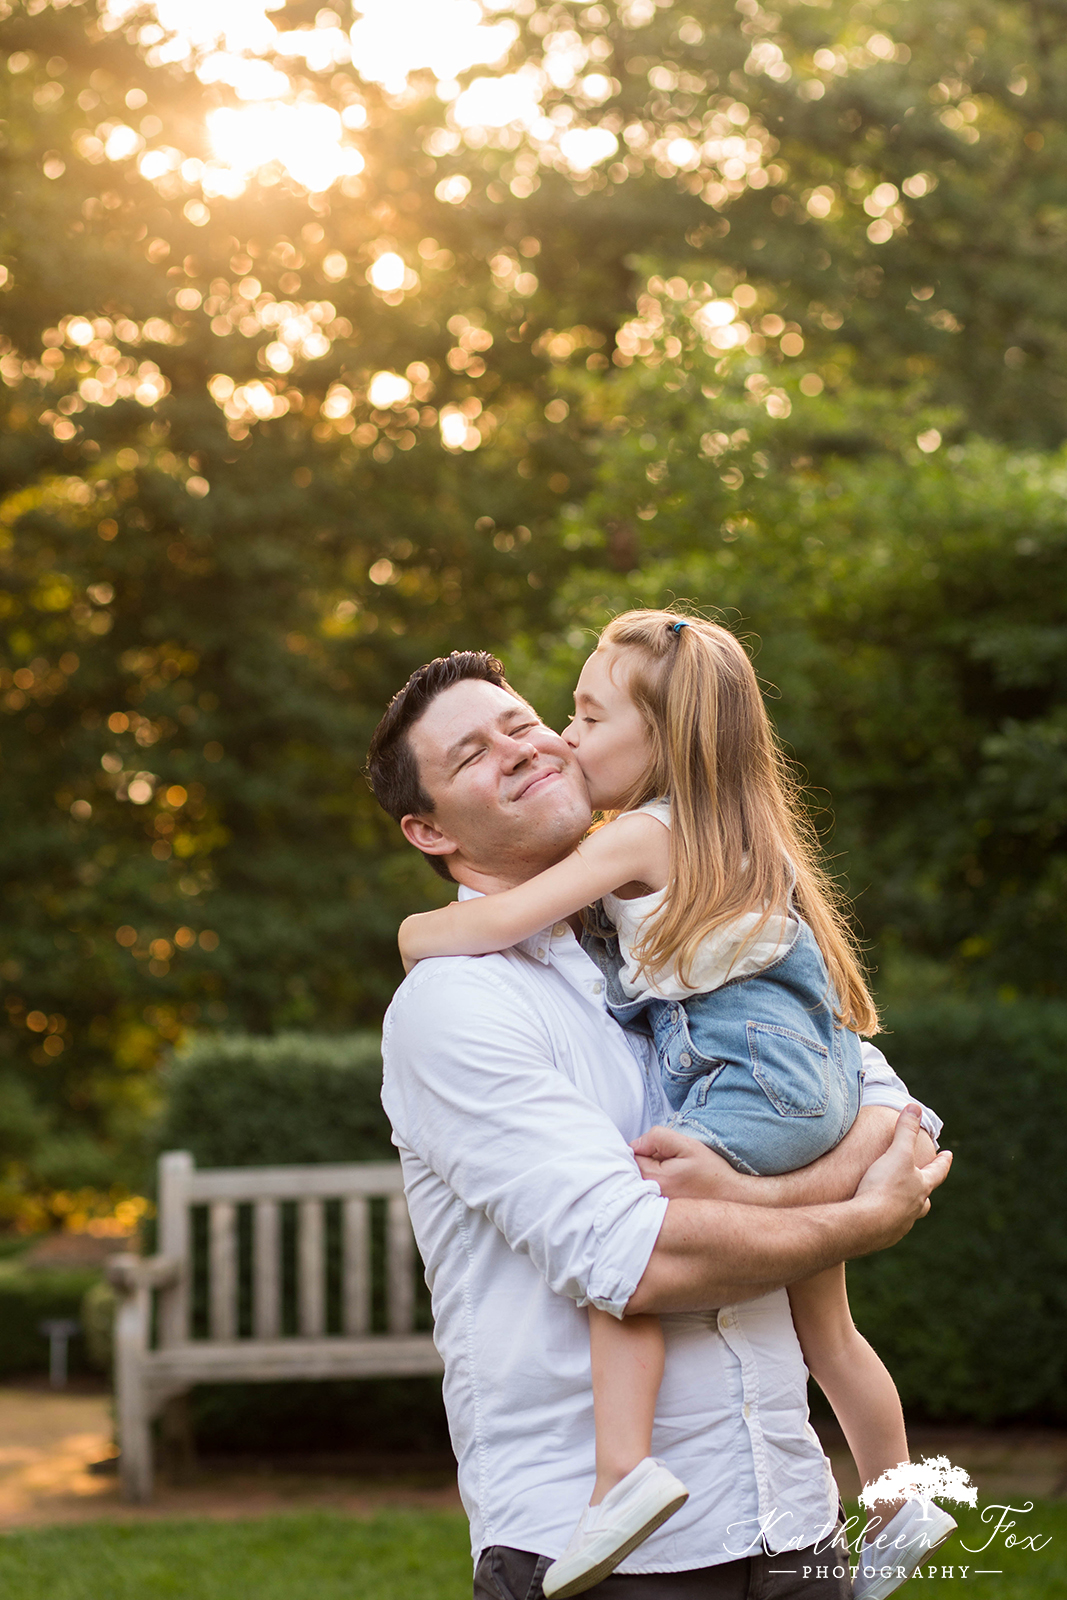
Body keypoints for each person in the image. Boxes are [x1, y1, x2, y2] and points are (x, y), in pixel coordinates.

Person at [367, 647, 951, 1600]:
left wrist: (777, 1193)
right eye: (471, 754)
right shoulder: (459, 1004)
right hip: (606, 1562)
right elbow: (635, 1264)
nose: (518, 748)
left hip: (792, 1523)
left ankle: (894, 1505)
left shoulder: (683, 922)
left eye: (522, 723)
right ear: (428, 830)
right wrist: (856, 1217)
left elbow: (890, 1115)